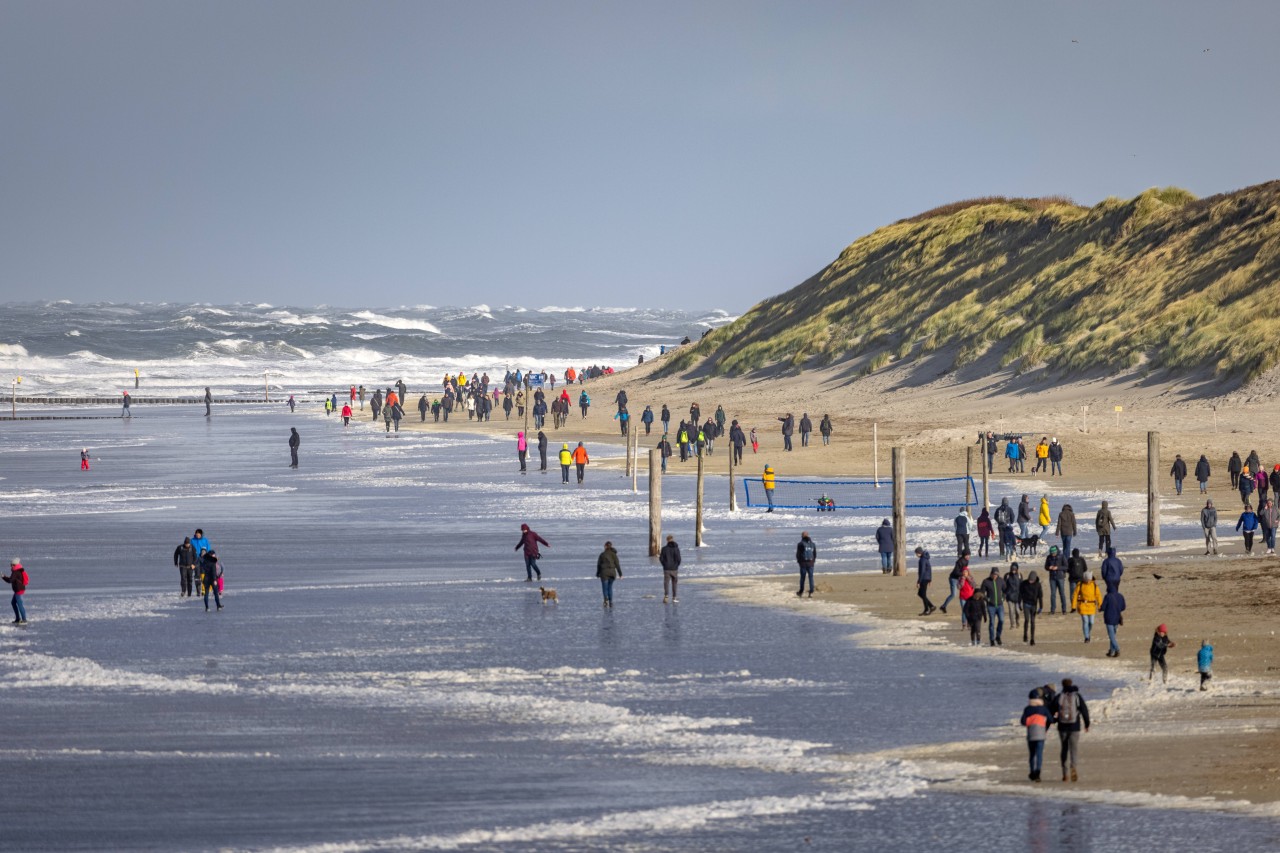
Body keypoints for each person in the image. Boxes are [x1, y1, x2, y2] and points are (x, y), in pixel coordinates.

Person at [1055, 679, 1090, 782]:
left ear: (1062, 685)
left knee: (1064, 749)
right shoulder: (1077, 697)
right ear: (1071, 684)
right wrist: (1087, 724)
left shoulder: (1059, 696)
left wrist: (1051, 721)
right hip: (1075, 726)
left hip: (1062, 726)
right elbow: (1084, 710)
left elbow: (1051, 709)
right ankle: (1073, 767)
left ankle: (1065, 773)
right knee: (1074, 749)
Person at [1020, 689, 1051, 782]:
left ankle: (1032, 772)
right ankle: (1038, 772)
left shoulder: (1027, 709)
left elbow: (1023, 722)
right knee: (1039, 754)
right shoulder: (1043, 709)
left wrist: (1031, 720)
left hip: (1031, 735)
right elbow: (1051, 719)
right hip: (1041, 734)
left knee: (1032, 755)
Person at [1072, 572, 1102, 643]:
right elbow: (1075, 595)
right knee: (1085, 622)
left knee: (1091, 622)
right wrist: (1073, 606)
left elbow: (1098, 596)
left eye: (1089, 579)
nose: (1088, 580)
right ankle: (1086, 637)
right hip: (1083, 605)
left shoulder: (1094, 585)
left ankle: (1088, 633)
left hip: (1092, 606)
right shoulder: (1080, 585)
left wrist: (1100, 605)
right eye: (1087, 579)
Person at [980, 567, 1004, 646]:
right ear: (991, 574)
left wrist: (1004, 597)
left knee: (1001, 620)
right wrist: (987, 599)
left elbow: (1006, 590)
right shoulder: (986, 581)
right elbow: (982, 593)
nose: (995, 576)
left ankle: (998, 636)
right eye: (994, 574)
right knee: (992, 623)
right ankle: (992, 639)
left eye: (996, 574)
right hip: (991, 606)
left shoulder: (1001, 580)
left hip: (1000, 605)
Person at [596, 541, 621, 609]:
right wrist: (620, 574)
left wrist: (597, 573)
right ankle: (611, 602)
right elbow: (617, 565)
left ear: (605, 546)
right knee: (610, 588)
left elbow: (598, 565)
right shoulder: (614, 554)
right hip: (612, 573)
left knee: (605, 588)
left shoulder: (602, 555)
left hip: (604, 573)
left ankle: (605, 600)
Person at [1021, 570, 1043, 645]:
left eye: (1032, 580)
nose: (1030, 581)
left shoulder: (1038, 585)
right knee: (1027, 619)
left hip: (1033, 605)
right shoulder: (1024, 583)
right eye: (1029, 579)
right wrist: (1019, 603)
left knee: (1033, 621)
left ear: (1035, 579)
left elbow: (1040, 596)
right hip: (1026, 604)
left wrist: (1041, 607)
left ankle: (1032, 639)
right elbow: (1020, 594)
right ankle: (1025, 635)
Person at [1102, 587, 1126, 657]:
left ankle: (1117, 649)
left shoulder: (1107, 596)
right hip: (1117, 618)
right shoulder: (1120, 596)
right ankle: (1112, 651)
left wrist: (1101, 608)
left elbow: (1103, 607)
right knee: (1113, 636)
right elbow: (1123, 607)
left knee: (1111, 636)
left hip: (1109, 618)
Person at [4, 558, 28, 624]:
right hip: (18, 590)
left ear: (16, 565)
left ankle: (24, 620)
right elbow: (11, 579)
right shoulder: (18, 570)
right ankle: (18, 619)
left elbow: (10, 580)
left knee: (20, 605)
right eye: (11, 565)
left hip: (19, 590)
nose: (11, 566)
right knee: (13, 603)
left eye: (13, 565)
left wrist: (3, 577)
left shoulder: (16, 572)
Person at [1044, 546, 1067, 614]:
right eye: (1051, 553)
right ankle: (1052, 610)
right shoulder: (1049, 557)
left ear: (1056, 552)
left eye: (1053, 553)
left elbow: (1066, 566)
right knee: (1053, 594)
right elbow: (1045, 567)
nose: (1052, 554)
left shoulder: (1062, 556)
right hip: (1052, 578)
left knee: (1062, 593)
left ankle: (1064, 609)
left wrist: (1058, 568)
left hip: (1060, 577)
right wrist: (1049, 567)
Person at [660, 535, 681, 603]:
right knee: (674, 583)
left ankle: (666, 596)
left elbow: (661, 559)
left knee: (666, 583)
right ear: (672, 539)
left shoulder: (664, 549)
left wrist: (664, 565)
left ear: (667, 540)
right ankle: (674, 597)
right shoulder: (676, 548)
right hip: (674, 569)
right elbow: (679, 559)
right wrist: (676, 565)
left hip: (666, 568)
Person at [796, 532, 817, 598]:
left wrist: (799, 561)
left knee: (802, 578)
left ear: (802, 536)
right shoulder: (813, 544)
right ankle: (811, 592)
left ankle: (801, 592)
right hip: (811, 563)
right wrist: (813, 561)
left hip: (803, 563)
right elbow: (815, 554)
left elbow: (798, 554)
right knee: (811, 577)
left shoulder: (800, 544)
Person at [914, 546, 934, 615]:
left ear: (919, 553)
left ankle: (927, 609)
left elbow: (922, 571)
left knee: (923, 594)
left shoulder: (922, 560)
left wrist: (919, 581)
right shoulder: (925, 558)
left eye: (916, 553)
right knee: (920, 593)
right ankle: (931, 606)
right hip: (926, 578)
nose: (916, 555)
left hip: (924, 579)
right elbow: (929, 569)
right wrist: (930, 579)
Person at [1002, 563, 1022, 629]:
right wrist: (1004, 594)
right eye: (1012, 569)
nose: (1013, 570)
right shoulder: (1007, 575)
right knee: (1011, 610)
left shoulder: (1019, 575)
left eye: (1015, 569)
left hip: (1017, 596)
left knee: (1017, 611)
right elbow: (1004, 585)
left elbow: (1022, 585)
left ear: (1017, 569)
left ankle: (1017, 622)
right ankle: (1012, 625)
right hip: (1009, 595)